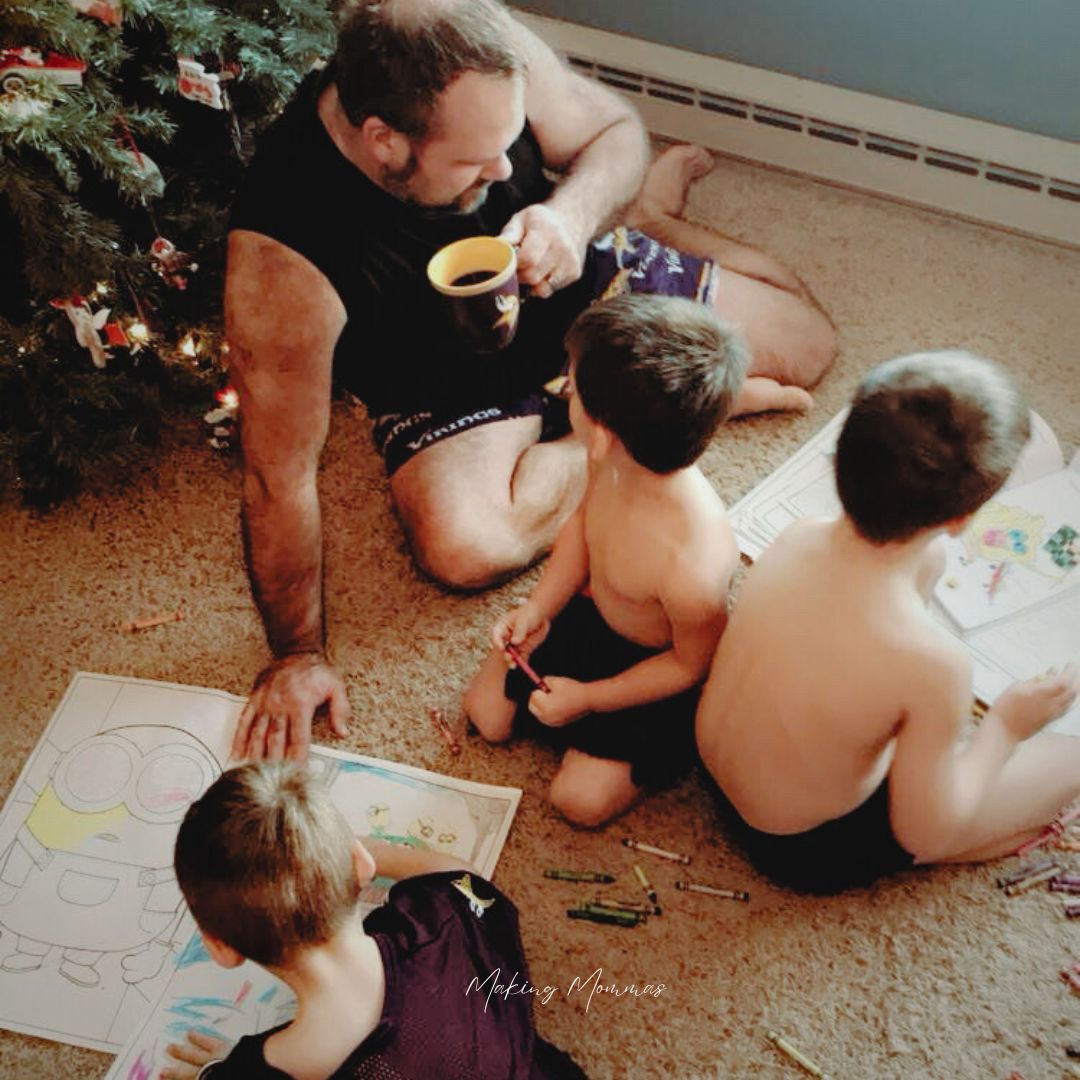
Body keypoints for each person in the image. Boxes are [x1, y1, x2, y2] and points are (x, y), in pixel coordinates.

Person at [226, 0, 837, 761]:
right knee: (463, 550)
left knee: (807, 343)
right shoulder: (281, 261)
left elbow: (613, 132)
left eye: (510, 141)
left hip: (569, 277)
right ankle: (648, 423)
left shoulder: (476, 42)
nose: (505, 167)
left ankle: (652, 225)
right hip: (443, 386)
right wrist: (296, 655)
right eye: (475, 160)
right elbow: (276, 480)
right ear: (384, 140)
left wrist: (571, 216)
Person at [695, 351, 1080, 894]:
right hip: (799, 845)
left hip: (713, 766)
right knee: (1068, 761)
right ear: (963, 518)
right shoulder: (934, 667)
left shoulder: (798, 534)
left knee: (1026, 443)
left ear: (840, 458)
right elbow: (928, 827)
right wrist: (1006, 726)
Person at [464, 295, 747, 826]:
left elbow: (690, 664)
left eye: (574, 386)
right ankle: (565, 697)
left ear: (602, 434)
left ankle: (651, 753)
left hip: (650, 674)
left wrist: (590, 699)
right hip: (590, 619)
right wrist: (539, 608)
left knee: (579, 802)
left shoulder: (693, 563)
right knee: (486, 716)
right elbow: (580, 532)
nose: (565, 388)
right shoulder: (611, 465)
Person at [161, 762, 587, 1080]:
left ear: (220, 947)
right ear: (360, 866)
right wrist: (374, 853)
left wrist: (214, 1073)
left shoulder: (263, 1069)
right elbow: (464, 878)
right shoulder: (449, 921)